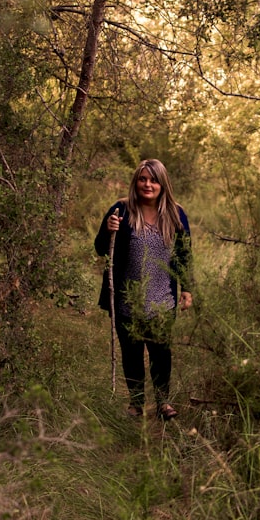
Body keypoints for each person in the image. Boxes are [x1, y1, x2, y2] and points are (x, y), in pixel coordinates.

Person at [94, 159, 193, 420]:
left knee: (161, 354)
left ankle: (163, 403)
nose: (147, 184)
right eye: (142, 179)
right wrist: (108, 230)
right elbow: (101, 248)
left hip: (163, 299)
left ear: (162, 184)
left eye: (153, 180)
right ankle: (136, 403)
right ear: (136, 181)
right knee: (132, 354)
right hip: (128, 299)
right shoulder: (121, 210)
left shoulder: (175, 213)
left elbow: (184, 254)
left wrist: (187, 288)